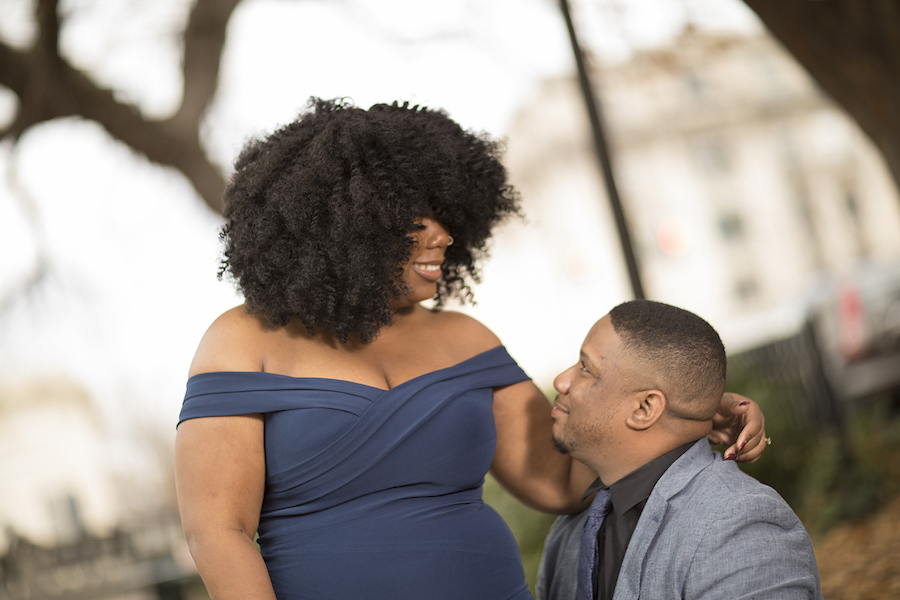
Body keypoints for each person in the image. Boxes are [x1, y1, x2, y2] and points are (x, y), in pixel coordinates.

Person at [174, 99, 767, 600]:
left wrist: (685, 415)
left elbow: (558, 482)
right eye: (418, 218)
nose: (445, 236)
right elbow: (219, 531)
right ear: (349, 222)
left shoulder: (467, 339)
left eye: (448, 213)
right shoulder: (242, 341)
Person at [536, 299, 822, 600]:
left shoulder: (740, 524)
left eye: (585, 368)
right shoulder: (570, 532)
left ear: (645, 408)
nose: (561, 381)